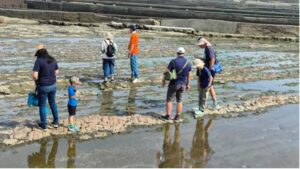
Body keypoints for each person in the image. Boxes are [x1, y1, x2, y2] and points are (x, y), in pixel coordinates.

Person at [32, 44, 59, 130]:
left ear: (38, 53)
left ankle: (43, 125)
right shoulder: (52, 59)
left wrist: (37, 81)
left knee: (42, 105)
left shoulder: (39, 61)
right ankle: (56, 122)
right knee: (52, 103)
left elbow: (35, 75)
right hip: (53, 84)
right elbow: (57, 71)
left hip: (43, 85)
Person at [162, 47, 192, 122]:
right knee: (179, 100)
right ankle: (177, 116)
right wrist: (188, 84)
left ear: (177, 53)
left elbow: (166, 71)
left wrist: (163, 80)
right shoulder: (188, 62)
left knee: (169, 100)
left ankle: (168, 116)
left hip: (174, 83)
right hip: (183, 84)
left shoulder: (173, 61)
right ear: (184, 53)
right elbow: (189, 74)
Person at [197, 37, 220, 109]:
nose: (199, 46)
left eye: (200, 45)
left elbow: (212, 59)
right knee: (210, 86)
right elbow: (209, 59)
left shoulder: (209, 49)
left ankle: (214, 103)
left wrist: (209, 70)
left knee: (209, 86)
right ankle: (214, 103)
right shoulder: (207, 48)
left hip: (210, 69)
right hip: (209, 68)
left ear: (204, 44)